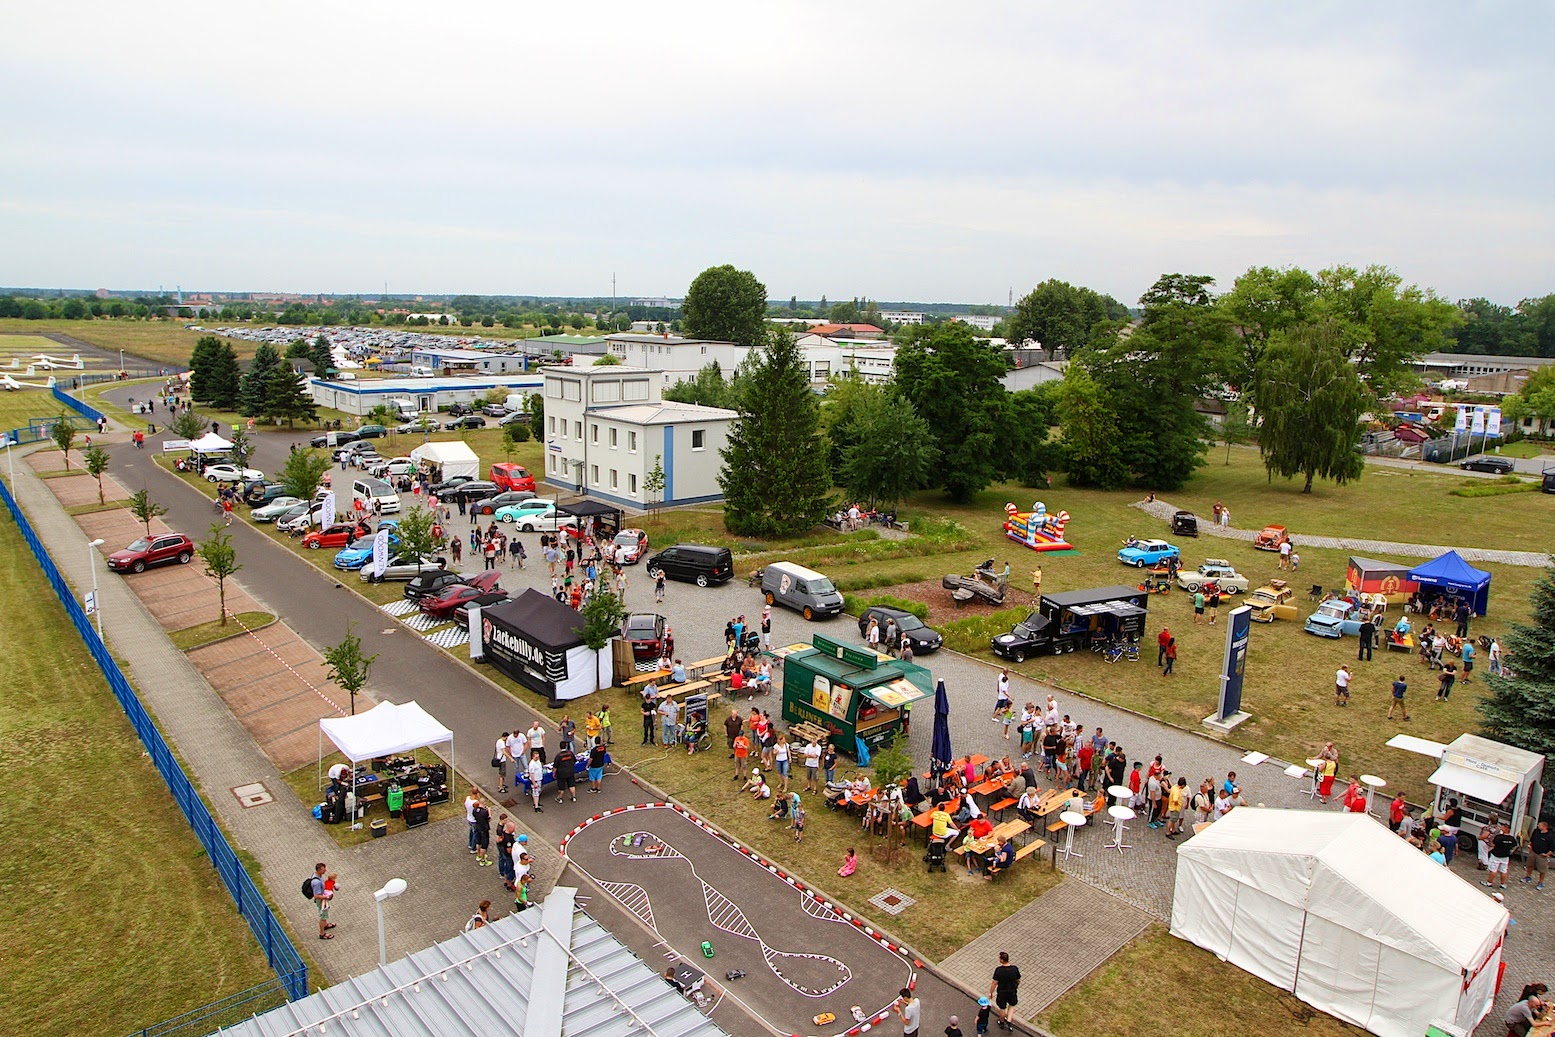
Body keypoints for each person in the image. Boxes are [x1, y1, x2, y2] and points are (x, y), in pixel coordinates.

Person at [989, 951, 1021, 1032]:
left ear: (1002, 960)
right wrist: (1016, 986)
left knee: (1002, 1007)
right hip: (1012, 992)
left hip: (1002, 992)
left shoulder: (999, 970)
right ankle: (1009, 1020)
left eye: (999, 958)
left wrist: (991, 992)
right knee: (1012, 1005)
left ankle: (1001, 1021)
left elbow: (994, 983)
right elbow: (1019, 980)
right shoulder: (1014, 969)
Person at [1522, 818, 1552, 890]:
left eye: (1540, 824)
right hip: (1533, 851)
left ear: (1544, 826)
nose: (1538, 825)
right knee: (1530, 865)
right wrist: (1530, 845)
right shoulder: (1536, 831)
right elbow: (1532, 839)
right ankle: (1528, 877)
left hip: (1541, 855)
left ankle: (1540, 882)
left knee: (1542, 869)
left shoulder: (1549, 836)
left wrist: (1547, 854)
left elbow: (1552, 848)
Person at [310, 862, 336, 940]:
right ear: (319, 870)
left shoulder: (316, 876)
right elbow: (316, 895)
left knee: (324, 914)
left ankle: (325, 925)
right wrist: (327, 897)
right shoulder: (317, 882)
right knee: (323, 916)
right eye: (324, 869)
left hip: (323, 898)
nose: (325, 870)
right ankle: (322, 933)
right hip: (321, 900)